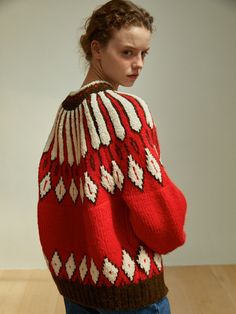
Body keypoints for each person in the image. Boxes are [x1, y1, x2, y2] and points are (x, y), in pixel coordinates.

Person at [37, 0, 187, 313]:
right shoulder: (126, 111)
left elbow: (53, 204)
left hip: (78, 285)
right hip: (130, 285)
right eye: (127, 52)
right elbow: (158, 212)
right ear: (97, 49)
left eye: (144, 53)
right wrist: (173, 227)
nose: (139, 63)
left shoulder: (66, 112)